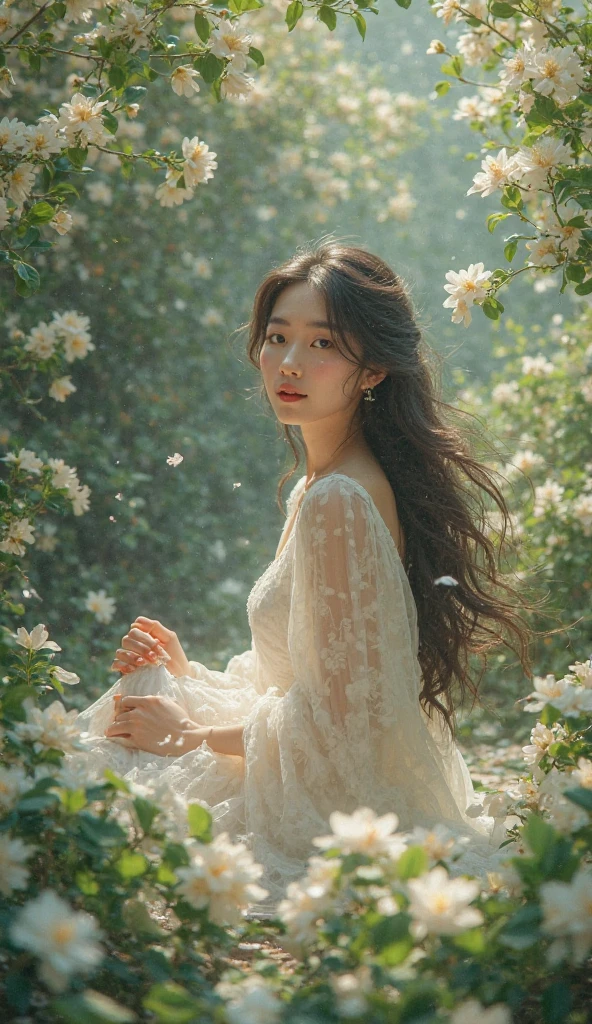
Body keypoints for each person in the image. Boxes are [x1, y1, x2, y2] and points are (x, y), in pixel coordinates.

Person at [69, 239, 537, 917]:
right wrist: (188, 675)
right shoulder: (321, 483)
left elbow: (343, 722)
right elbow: (301, 681)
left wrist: (190, 736)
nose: (290, 363)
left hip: (334, 804)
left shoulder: (337, 500)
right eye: (278, 337)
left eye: (323, 344)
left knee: (91, 799)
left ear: (373, 368)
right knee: (141, 695)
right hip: (313, 763)